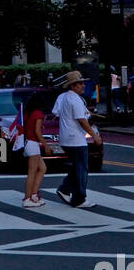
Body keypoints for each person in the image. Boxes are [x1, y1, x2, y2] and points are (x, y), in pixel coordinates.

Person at [53, 71, 99, 209]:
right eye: (80, 83)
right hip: (76, 139)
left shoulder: (63, 97)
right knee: (81, 169)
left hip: (65, 137)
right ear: (73, 86)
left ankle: (65, 189)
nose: (83, 85)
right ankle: (79, 198)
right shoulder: (75, 100)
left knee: (76, 167)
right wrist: (94, 135)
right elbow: (82, 121)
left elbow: (56, 112)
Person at [22, 91, 49, 207]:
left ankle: (33, 194)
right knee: (32, 172)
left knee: (42, 168)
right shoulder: (38, 114)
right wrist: (46, 145)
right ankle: (27, 198)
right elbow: (37, 132)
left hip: (28, 143)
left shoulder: (27, 113)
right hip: (33, 144)